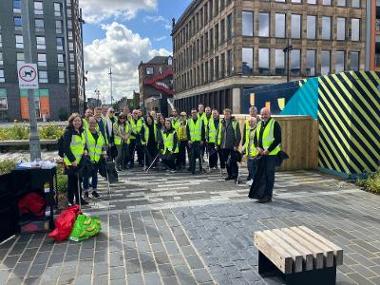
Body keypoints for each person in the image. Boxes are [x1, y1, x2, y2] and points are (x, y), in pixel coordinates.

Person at [250, 108, 282, 203]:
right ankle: (261, 194)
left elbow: (278, 139)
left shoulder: (274, 123)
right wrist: (258, 148)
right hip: (262, 154)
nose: (264, 116)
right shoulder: (259, 124)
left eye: (266, 114)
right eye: (262, 114)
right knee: (261, 175)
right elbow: (256, 139)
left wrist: (268, 150)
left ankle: (268, 196)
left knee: (269, 175)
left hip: (271, 155)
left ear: (270, 114)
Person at [62, 113, 88, 205]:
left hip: (79, 161)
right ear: (71, 122)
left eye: (79, 121)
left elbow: (83, 144)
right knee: (72, 182)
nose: (77, 122)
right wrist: (73, 160)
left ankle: (78, 199)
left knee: (78, 180)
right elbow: (66, 147)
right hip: (71, 162)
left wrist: (85, 150)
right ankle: (70, 201)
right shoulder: (68, 132)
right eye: (75, 121)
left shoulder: (81, 131)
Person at [83, 116, 107, 198]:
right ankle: (86, 191)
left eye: (94, 123)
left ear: (96, 124)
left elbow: (102, 144)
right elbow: (83, 144)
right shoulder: (85, 133)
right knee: (86, 176)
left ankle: (94, 191)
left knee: (95, 175)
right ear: (88, 123)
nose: (92, 124)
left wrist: (104, 153)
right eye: (90, 123)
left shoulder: (99, 133)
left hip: (97, 158)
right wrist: (85, 151)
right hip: (88, 159)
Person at [218, 108, 241, 182]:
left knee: (233, 161)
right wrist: (217, 144)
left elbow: (238, 135)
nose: (226, 115)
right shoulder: (221, 122)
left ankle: (235, 175)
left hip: (232, 146)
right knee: (226, 162)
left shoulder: (234, 122)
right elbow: (218, 134)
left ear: (230, 114)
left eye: (227, 114)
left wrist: (236, 145)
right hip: (223, 146)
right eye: (225, 114)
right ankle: (229, 175)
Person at [187, 108, 205, 174]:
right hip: (192, 142)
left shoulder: (201, 121)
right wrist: (188, 140)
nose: (193, 114)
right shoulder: (189, 121)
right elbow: (187, 132)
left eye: (194, 112)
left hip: (199, 141)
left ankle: (201, 169)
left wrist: (202, 140)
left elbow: (203, 131)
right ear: (191, 114)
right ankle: (193, 170)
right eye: (192, 113)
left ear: (196, 113)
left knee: (200, 156)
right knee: (192, 157)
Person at [243, 116, 259, 186]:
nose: (250, 123)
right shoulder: (248, 130)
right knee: (249, 167)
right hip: (248, 152)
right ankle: (253, 180)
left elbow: (258, 142)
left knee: (253, 168)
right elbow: (247, 141)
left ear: (255, 122)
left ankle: (254, 180)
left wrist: (257, 151)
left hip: (255, 152)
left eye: (252, 121)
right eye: (249, 122)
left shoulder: (257, 130)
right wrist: (243, 148)